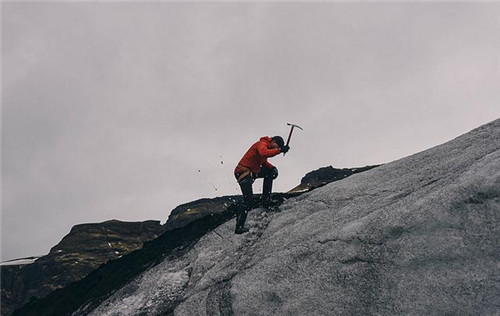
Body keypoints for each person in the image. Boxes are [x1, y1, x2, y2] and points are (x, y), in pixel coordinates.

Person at [233, 136, 290, 234]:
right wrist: (280, 150)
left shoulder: (266, 146)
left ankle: (266, 200)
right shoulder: (261, 144)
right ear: (273, 141)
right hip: (243, 172)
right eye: (277, 145)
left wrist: (273, 168)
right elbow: (263, 153)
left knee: (270, 173)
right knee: (248, 198)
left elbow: (263, 162)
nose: (275, 148)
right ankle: (239, 226)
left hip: (250, 172)